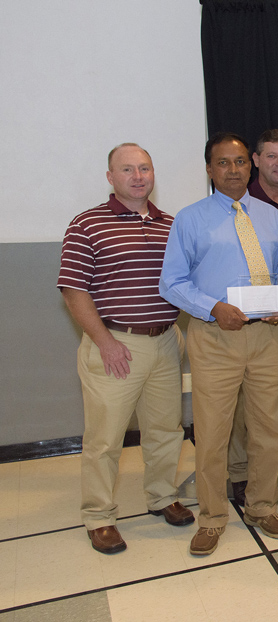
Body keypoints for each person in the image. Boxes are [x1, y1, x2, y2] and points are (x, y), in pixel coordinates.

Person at [160, 132, 278, 556]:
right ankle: (213, 517)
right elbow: (171, 283)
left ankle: (262, 505)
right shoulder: (189, 219)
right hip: (215, 337)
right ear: (208, 168)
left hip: (267, 337)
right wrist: (213, 307)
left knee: (270, 429)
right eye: (223, 163)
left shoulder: (274, 217)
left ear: (250, 165)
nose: (233, 170)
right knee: (213, 433)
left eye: (239, 162)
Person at [58, 143, 193, 554]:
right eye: (128, 169)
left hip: (166, 341)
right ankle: (99, 515)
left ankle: (161, 496)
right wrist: (105, 342)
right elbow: (73, 289)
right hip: (114, 345)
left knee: (166, 430)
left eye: (145, 168)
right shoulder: (86, 225)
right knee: (105, 439)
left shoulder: (172, 224)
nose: (138, 176)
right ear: (110, 177)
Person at [227, 129, 278, 505]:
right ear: (256, 160)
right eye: (272, 156)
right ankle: (242, 471)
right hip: (242, 319)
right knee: (243, 399)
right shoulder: (236, 204)